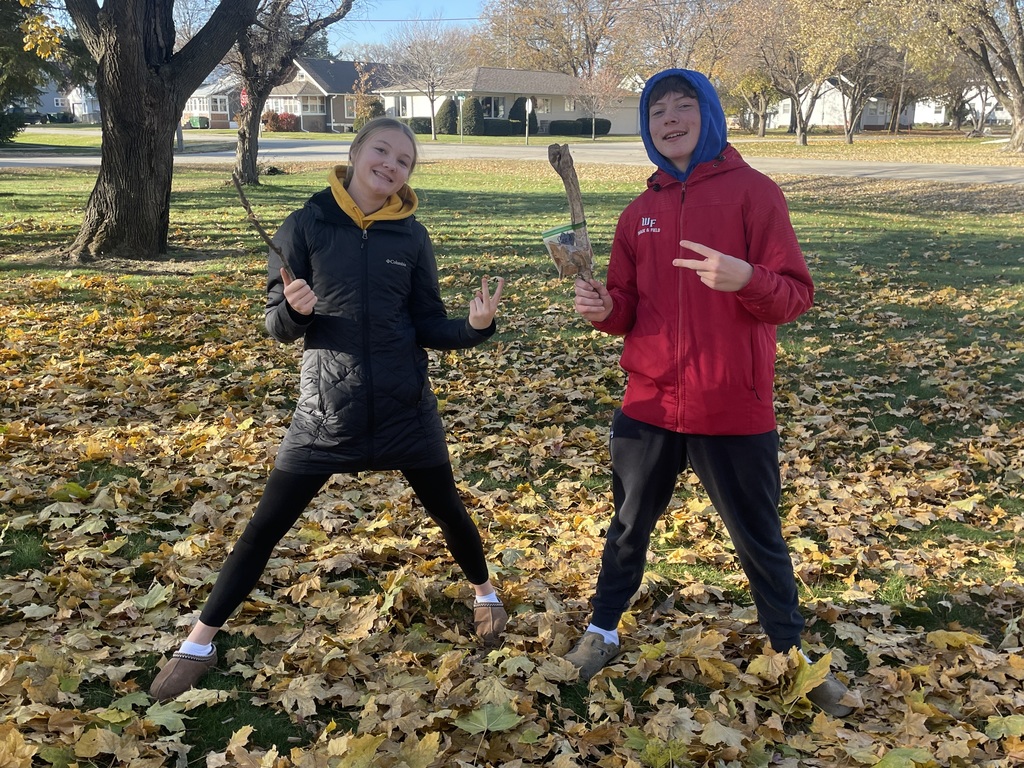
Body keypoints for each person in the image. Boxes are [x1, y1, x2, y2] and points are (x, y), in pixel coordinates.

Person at [150, 117, 507, 701]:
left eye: (404, 161)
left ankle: (486, 594)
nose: (391, 165)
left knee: (449, 511)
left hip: (405, 409)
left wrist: (474, 327)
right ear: (356, 152)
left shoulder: (411, 236)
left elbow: (427, 322)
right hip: (326, 413)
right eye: (382, 151)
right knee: (264, 529)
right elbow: (277, 325)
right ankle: (198, 642)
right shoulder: (306, 224)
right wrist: (295, 310)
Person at [567, 69, 855, 716]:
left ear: (711, 116)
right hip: (649, 405)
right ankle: (602, 630)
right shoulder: (638, 212)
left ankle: (792, 654)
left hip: (732, 404)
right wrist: (603, 310)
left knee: (759, 537)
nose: (669, 119)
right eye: (657, 110)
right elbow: (626, 306)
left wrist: (747, 277)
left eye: (683, 106)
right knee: (627, 526)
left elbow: (794, 296)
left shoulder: (756, 194)